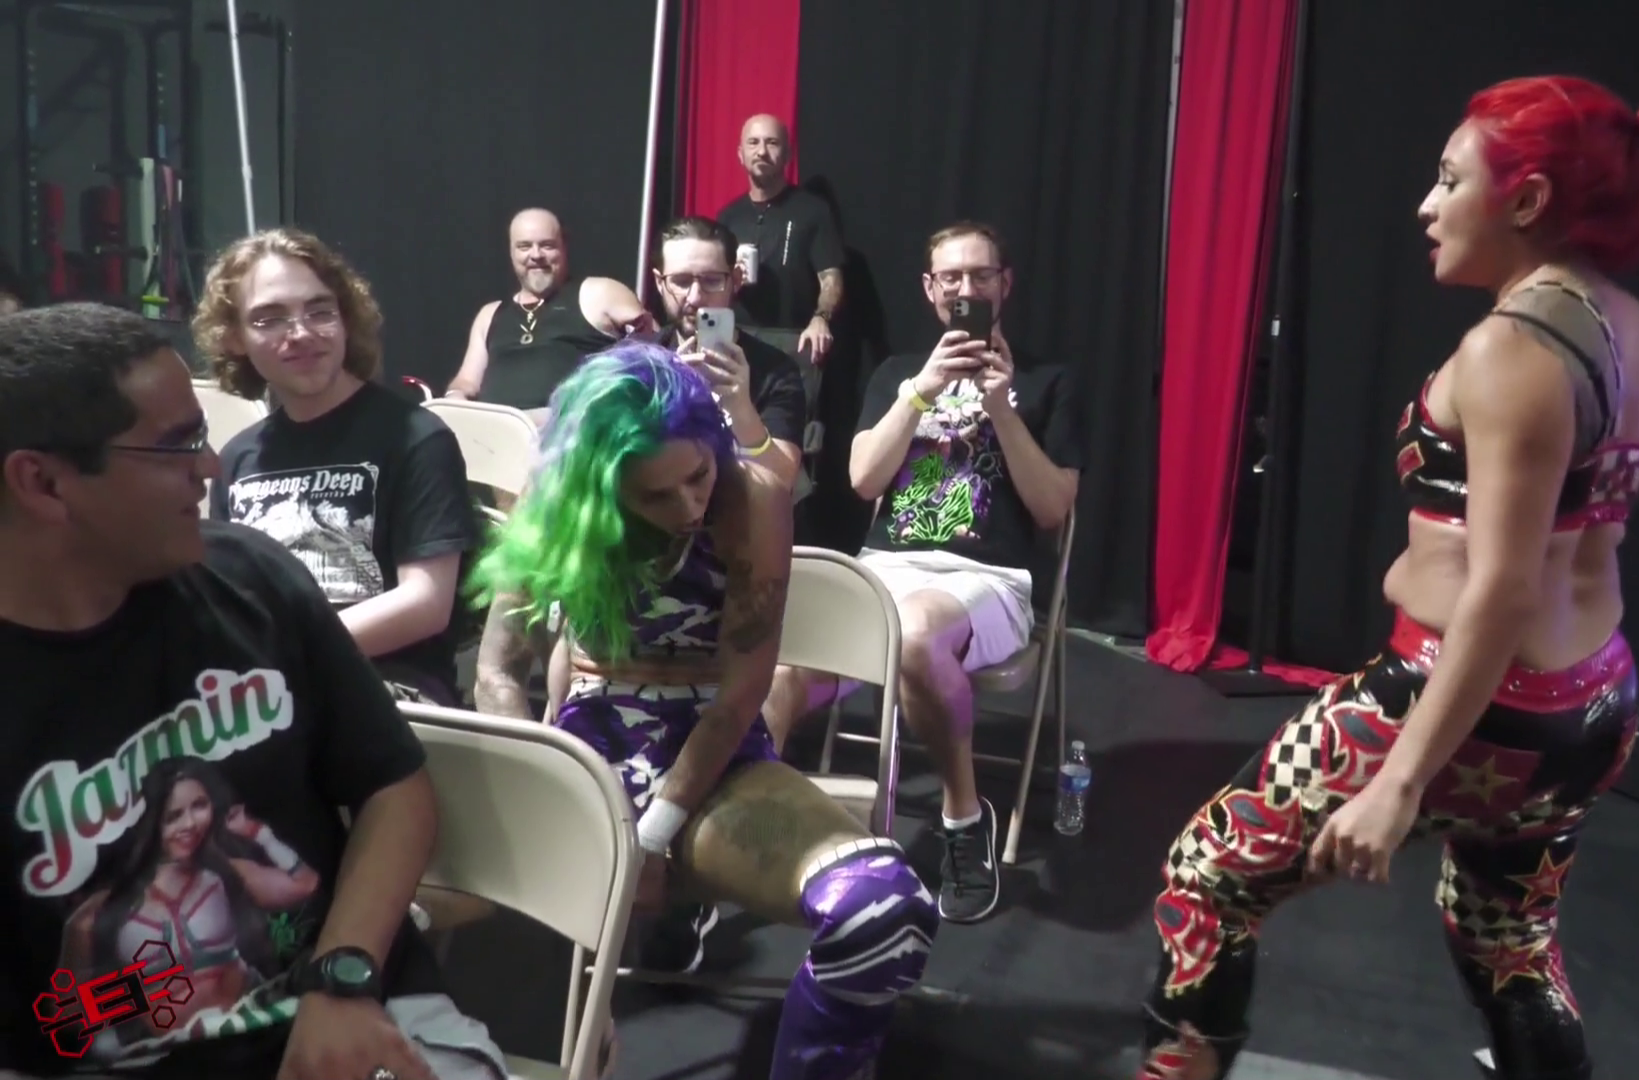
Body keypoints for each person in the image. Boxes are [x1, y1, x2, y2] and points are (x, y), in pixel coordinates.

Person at [1130, 76, 1639, 1080]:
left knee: (1209, 880)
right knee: (1510, 940)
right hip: (1593, 703)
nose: (1428, 205)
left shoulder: (1511, 350)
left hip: (1462, 696)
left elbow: (1502, 588)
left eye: (1450, 180)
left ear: (1527, 200)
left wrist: (1400, 783)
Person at [0, 302, 508, 1080]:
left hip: (361, 1008)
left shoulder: (252, 578)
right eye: (176, 446)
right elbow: (50, 1024)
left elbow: (394, 788)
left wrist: (341, 978)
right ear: (42, 482)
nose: (210, 469)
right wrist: (165, 993)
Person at [468, 342, 938, 1080]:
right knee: (407, 889)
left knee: (883, 913)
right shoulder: (553, 501)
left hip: (716, 754)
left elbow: (743, 690)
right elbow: (498, 671)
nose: (688, 506)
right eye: (655, 495)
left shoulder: (753, 498)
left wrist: (655, 834)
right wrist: (540, 801)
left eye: (697, 476)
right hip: (587, 752)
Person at [762, 222, 1084, 925]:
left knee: (911, 634)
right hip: (885, 568)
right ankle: (758, 829)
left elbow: (1053, 508)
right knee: (776, 661)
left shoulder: (1046, 380)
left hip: (986, 579)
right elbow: (862, 480)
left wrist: (1000, 409)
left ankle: (964, 818)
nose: (966, 289)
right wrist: (919, 394)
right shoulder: (897, 374)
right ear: (930, 289)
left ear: (1004, 283)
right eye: (951, 278)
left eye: (980, 275)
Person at [196, 228, 482, 707]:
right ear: (234, 337)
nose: (300, 333)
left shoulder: (415, 437)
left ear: (346, 319)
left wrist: (286, 653)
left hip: (388, 689)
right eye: (270, 318)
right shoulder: (238, 457)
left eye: (319, 311)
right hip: (270, 688)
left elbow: (426, 604)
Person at [445, 208, 652, 422]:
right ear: (511, 252)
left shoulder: (598, 293)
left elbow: (656, 350)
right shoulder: (490, 314)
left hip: (569, 428)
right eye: (524, 246)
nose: (536, 255)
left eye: (547, 245)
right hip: (495, 432)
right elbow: (466, 381)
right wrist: (455, 396)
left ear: (564, 247)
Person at [652, 215, 809, 490]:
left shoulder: (776, 371)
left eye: (712, 281)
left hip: (739, 508)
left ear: (735, 280)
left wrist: (741, 408)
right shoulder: (640, 360)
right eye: (681, 281)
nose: (695, 297)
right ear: (659, 283)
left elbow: (782, 482)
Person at [716, 115, 845, 398]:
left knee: (788, 420)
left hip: (792, 340)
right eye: (753, 143)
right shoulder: (729, 216)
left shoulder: (812, 210)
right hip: (736, 336)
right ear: (740, 154)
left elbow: (831, 278)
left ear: (787, 154)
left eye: (772, 143)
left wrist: (821, 318)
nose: (761, 151)